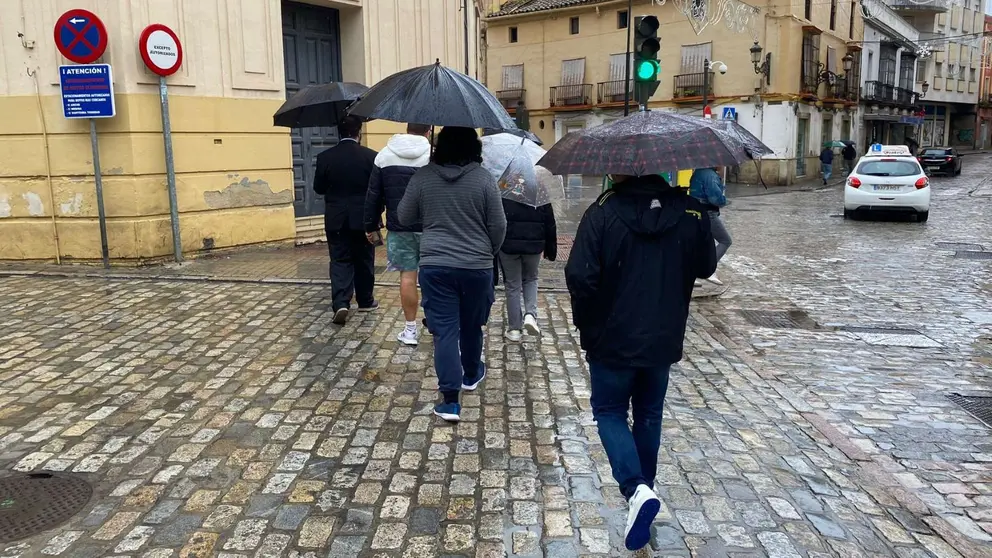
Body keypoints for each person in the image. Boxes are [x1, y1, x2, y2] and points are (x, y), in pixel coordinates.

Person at [565, 173, 716, 552]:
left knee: (609, 411)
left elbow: (579, 274)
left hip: (612, 337)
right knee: (649, 414)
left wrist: (588, 321)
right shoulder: (690, 212)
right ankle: (643, 493)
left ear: (619, 170)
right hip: (662, 336)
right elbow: (707, 266)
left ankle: (636, 491)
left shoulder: (601, 212)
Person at [398, 127, 506, 423]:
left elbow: (404, 216)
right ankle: (471, 374)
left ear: (439, 146)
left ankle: (449, 401)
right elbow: (498, 225)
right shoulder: (484, 179)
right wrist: (487, 251)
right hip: (477, 265)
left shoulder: (422, 177)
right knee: (472, 326)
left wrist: (431, 214)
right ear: (474, 148)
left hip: (436, 265)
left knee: (444, 331)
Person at [364, 123, 432, 345]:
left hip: (399, 226)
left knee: (407, 277)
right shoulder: (433, 155)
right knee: (433, 276)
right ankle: (433, 320)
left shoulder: (384, 156)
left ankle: (410, 330)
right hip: (430, 227)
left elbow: (373, 194)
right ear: (427, 131)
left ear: (407, 128)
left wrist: (370, 225)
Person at [314, 115, 379, 325]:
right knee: (365, 259)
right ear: (358, 133)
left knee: (340, 260)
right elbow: (376, 189)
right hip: (363, 217)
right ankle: (365, 300)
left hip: (336, 218)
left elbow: (318, 188)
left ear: (339, 133)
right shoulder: (371, 157)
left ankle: (341, 302)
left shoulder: (325, 157)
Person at [499, 199, 557, 341]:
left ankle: (514, 329)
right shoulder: (539, 194)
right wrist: (551, 249)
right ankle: (530, 315)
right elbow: (550, 223)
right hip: (534, 245)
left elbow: (497, 221)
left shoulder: (504, 192)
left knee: (513, 284)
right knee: (531, 279)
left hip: (508, 246)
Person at [688, 167, 729, 286]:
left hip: (697, 211)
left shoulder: (699, 172)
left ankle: (692, 273)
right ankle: (708, 269)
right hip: (708, 214)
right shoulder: (709, 175)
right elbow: (715, 199)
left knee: (701, 244)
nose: (723, 165)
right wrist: (724, 200)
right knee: (725, 240)